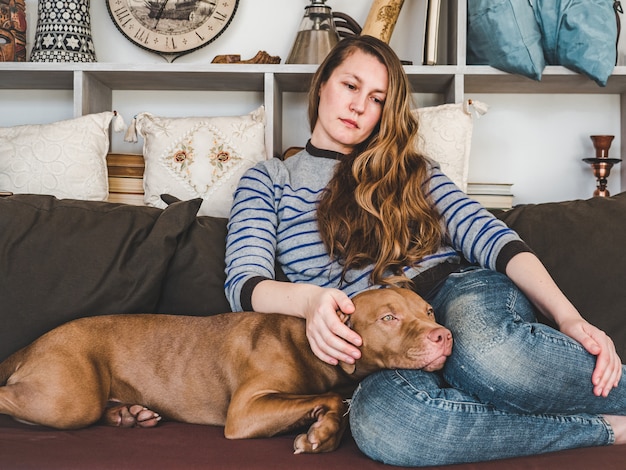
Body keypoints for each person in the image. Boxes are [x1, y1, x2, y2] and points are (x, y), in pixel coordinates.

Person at [224, 35, 626, 466]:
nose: (359, 106)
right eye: (350, 86)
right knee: (385, 425)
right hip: (377, 347)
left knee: (486, 354)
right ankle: (603, 428)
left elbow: (495, 239)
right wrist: (310, 301)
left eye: (377, 98)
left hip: (453, 295)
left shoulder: (412, 172)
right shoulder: (271, 179)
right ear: (322, 83)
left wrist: (569, 317)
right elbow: (244, 283)